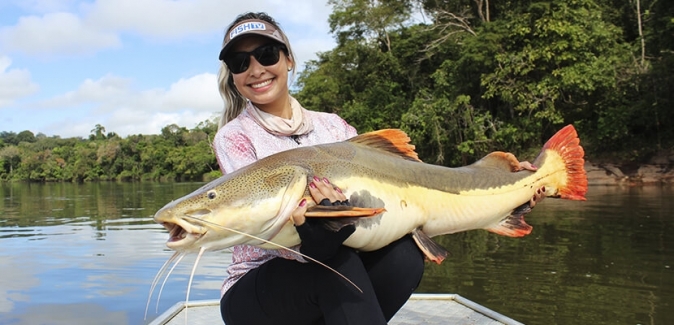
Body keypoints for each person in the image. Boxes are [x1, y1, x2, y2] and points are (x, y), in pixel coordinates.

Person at [213, 12, 542, 325]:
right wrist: (321, 232)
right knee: (337, 265)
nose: (255, 69)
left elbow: (392, 202)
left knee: (404, 258)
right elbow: (260, 219)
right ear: (233, 75)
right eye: (240, 63)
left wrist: (514, 188)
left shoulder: (334, 127)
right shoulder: (234, 137)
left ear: (288, 60)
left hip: (336, 266)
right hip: (259, 290)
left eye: (267, 54)